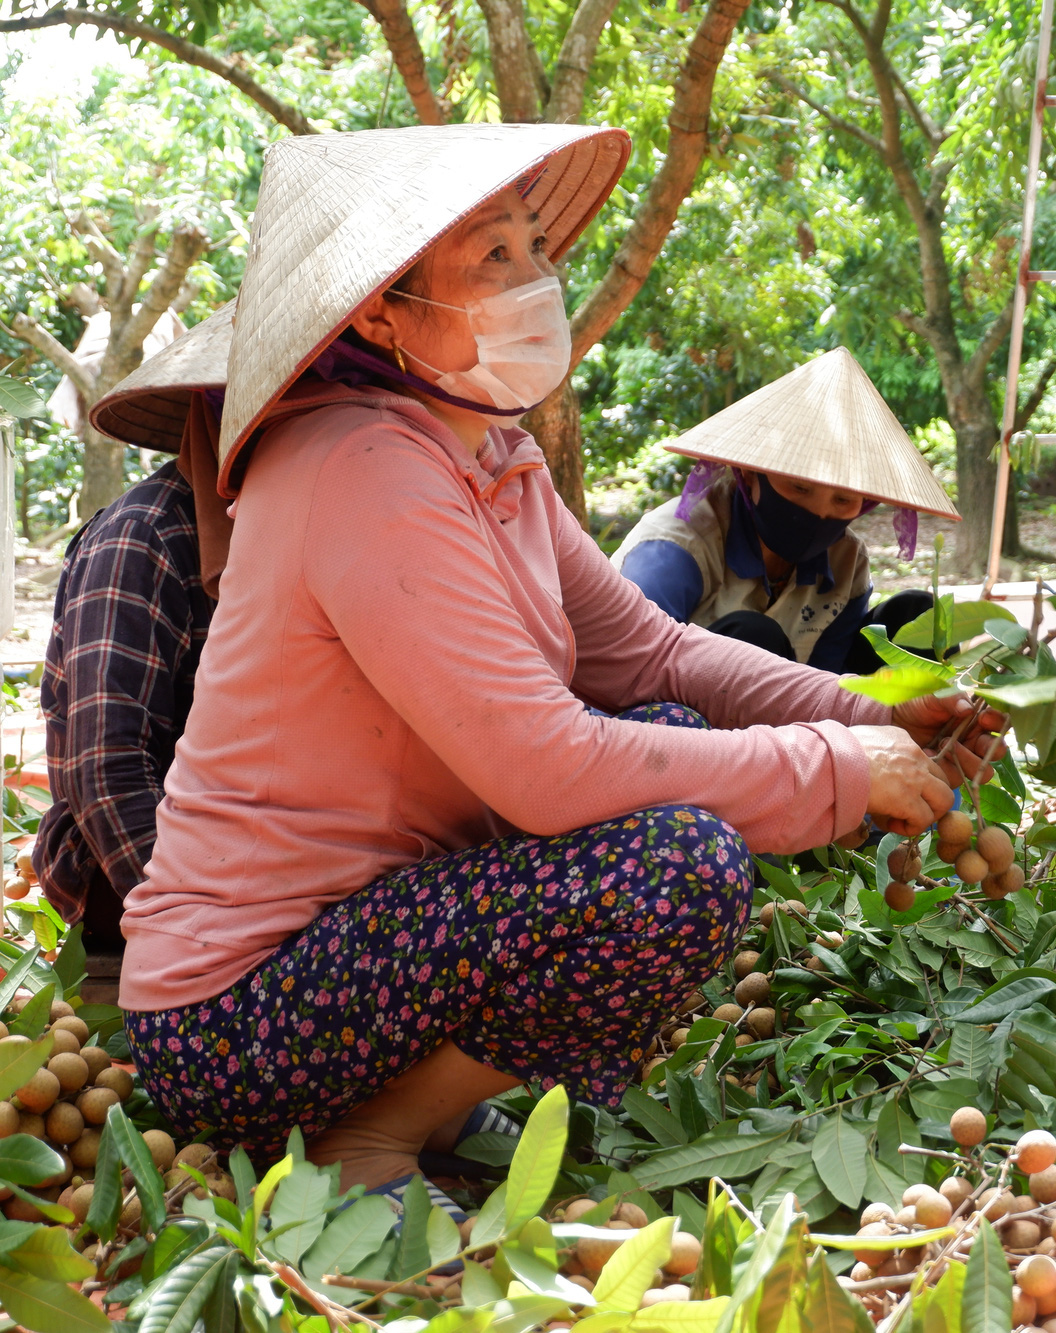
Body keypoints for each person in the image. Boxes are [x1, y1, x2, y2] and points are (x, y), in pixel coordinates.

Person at [118, 123, 1005, 1204]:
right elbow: (546, 765)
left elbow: (651, 653)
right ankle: (370, 1140)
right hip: (241, 1016)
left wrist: (866, 710)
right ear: (378, 314)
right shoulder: (361, 465)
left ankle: (417, 1098)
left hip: (374, 944)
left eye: (532, 246)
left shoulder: (490, 452)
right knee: (676, 866)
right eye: (491, 256)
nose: (536, 278)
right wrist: (834, 768)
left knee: (676, 743)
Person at [35, 305, 233, 956]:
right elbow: (108, 768)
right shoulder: (144, 538)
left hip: (242, 864)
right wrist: (192, 939)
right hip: (137, 880)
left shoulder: (272, 529)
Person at [612, 348, 955, 674]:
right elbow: (628, 665)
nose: (818, 513)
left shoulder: (846, 562)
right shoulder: (675, 548)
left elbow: (826, 676)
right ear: (749, 472)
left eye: (843, 500)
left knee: (918, 617)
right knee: (754, 639)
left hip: (799, 706)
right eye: (800, 488)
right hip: (679, 714)